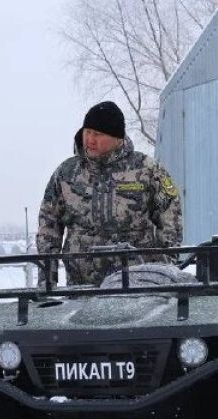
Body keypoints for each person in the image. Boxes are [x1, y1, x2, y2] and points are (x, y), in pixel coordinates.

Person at [36, 100, 183, 286]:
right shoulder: (67, 173)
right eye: (87, 132)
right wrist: (47, 280)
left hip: (138, 286)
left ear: (117, 138)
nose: (90, 139)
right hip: (82, 287)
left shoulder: (146, 170)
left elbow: (171, 219)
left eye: (97, 134)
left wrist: (166, 269)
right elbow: (48, 226)